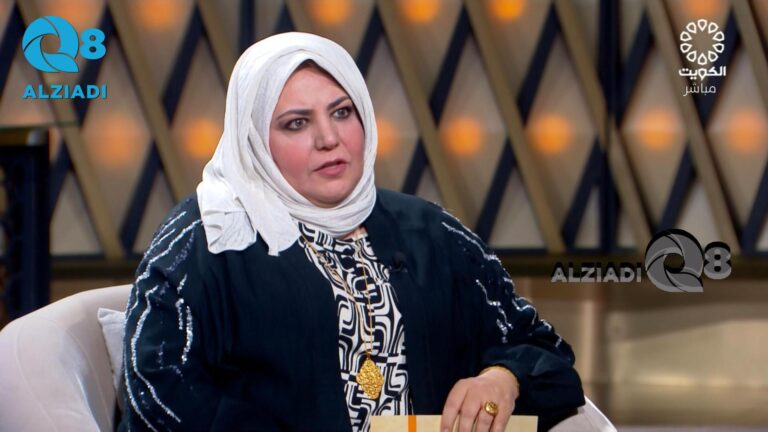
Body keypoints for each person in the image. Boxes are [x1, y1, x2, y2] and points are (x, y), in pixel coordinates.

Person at [119, 32, 584, 432]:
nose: (329, 139)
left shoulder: (432, 232)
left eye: (342, 113)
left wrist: (503, 378)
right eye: (296, 123)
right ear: (253, 139)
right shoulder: (205, 238)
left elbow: (543, 350)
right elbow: (155, 394)